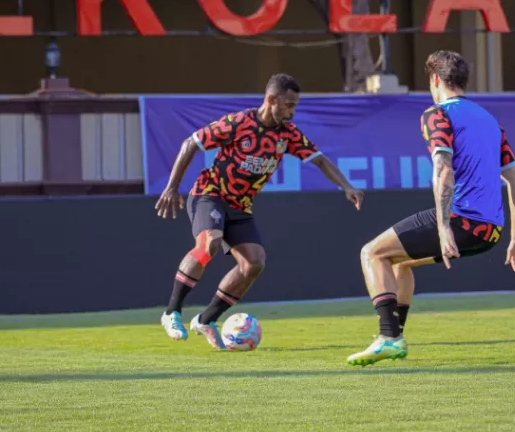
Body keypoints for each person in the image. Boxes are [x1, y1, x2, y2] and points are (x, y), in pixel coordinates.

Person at [346, 50, 515, 367]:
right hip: (491, 232)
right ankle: (396, 339)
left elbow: (444, 169)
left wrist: (444, 228)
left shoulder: (437, 114)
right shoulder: (488, 119)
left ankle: (388, 337)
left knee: (371, 253)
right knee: (399, 264)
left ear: (434, 80)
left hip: (462, 220)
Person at [155, 73, 364, 350]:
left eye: (295, 106)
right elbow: (190, 142)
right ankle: (172, 312)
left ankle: (206, 319)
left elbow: (320, 160)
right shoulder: (238, 123)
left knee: (254, 262)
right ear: (271, 99)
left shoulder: (287, 135)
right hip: (210, 193)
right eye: (288, 105)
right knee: (210, 242)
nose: (292, 111)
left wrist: (346, 187)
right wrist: (172, 188)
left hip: (240, 206)